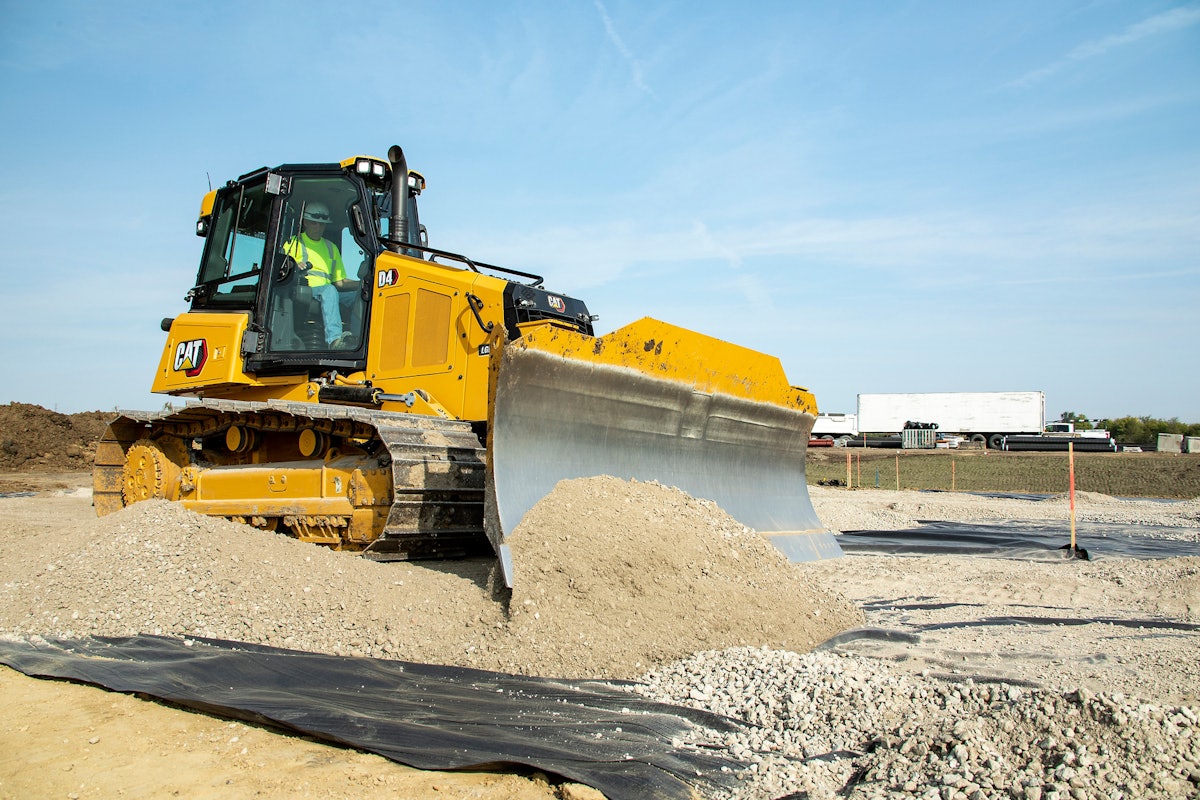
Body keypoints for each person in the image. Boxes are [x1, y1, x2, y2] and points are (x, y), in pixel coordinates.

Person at [283, 202, 358, 348]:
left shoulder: (331, 248)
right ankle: (335, 340)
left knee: (361, 295)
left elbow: (340, 282)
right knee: (329, 290)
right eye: (314, 223)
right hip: (306, 290)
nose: (318, 227)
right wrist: (293, 266)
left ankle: (357, 338)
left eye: (322, 224)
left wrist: (363, 283)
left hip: (329, 291)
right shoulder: (294, 243)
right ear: (305, 222)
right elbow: (282, 268)